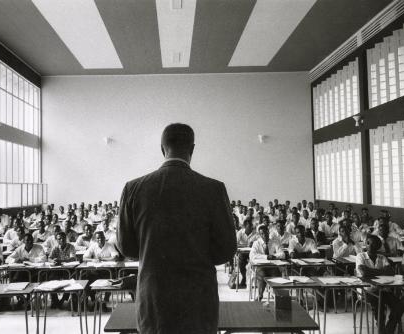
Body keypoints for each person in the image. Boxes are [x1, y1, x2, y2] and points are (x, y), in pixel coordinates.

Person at [118, 123, 236, 334]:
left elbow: (126, 248)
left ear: (162, 149)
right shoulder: (213, 189)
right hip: (198, 300)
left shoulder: (134, 188)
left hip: (154, 299)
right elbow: (226, 250)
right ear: (192, 149)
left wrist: (151, 251)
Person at [356, 235, 404, 334]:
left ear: (378, 246)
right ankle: (381, 328)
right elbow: (364, 272)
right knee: (379, 303)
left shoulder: (382, 257)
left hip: (383, 289)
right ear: (366, 244)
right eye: (369, 243)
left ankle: (388, 330)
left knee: (400, 306)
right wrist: (382, 271)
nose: (371, 246)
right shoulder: (360, 256)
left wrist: (371, 271)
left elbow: (390, 272)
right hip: (367, 290)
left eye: (374, 244)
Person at [249, 225, 285, 300]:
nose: (264, 235)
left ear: (268, 232)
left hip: (272, 266)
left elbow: (282, 254)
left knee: (276, 274)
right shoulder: (256, 243)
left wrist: (273, 256)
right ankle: (260, 295)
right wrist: (266, 257)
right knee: (262, 275)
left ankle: (276, 295)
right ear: (259, 235)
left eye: (265, 233)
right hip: (260, 267)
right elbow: (252, 256)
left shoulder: (275, 242)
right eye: (262, 234)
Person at [49, 232, 77, 309]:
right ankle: (54, 300)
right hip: (57, 269)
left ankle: (64, 298)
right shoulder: (55, 247)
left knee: (69, 280)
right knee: (51, 278)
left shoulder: (71, 246)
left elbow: (73, 258)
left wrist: (61, 261)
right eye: (59, 239)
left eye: (63, 238)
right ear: (56, 240)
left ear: (66, 239)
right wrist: (52, 261)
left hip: (69, 269)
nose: (61, 240)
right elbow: (50, 258)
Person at [236, 218, 257, 288]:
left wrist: (254, 243)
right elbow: (235, 244)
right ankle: (244, 277)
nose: (251, 227)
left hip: (252, 253)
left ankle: (251, 279)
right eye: (249, 226)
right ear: (245, 226)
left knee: (254, 263)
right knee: (241, 262)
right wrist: (245, 245)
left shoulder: (255, 233)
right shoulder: (240, 233)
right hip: (243, 253)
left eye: (251, 225)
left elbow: (259, 242)